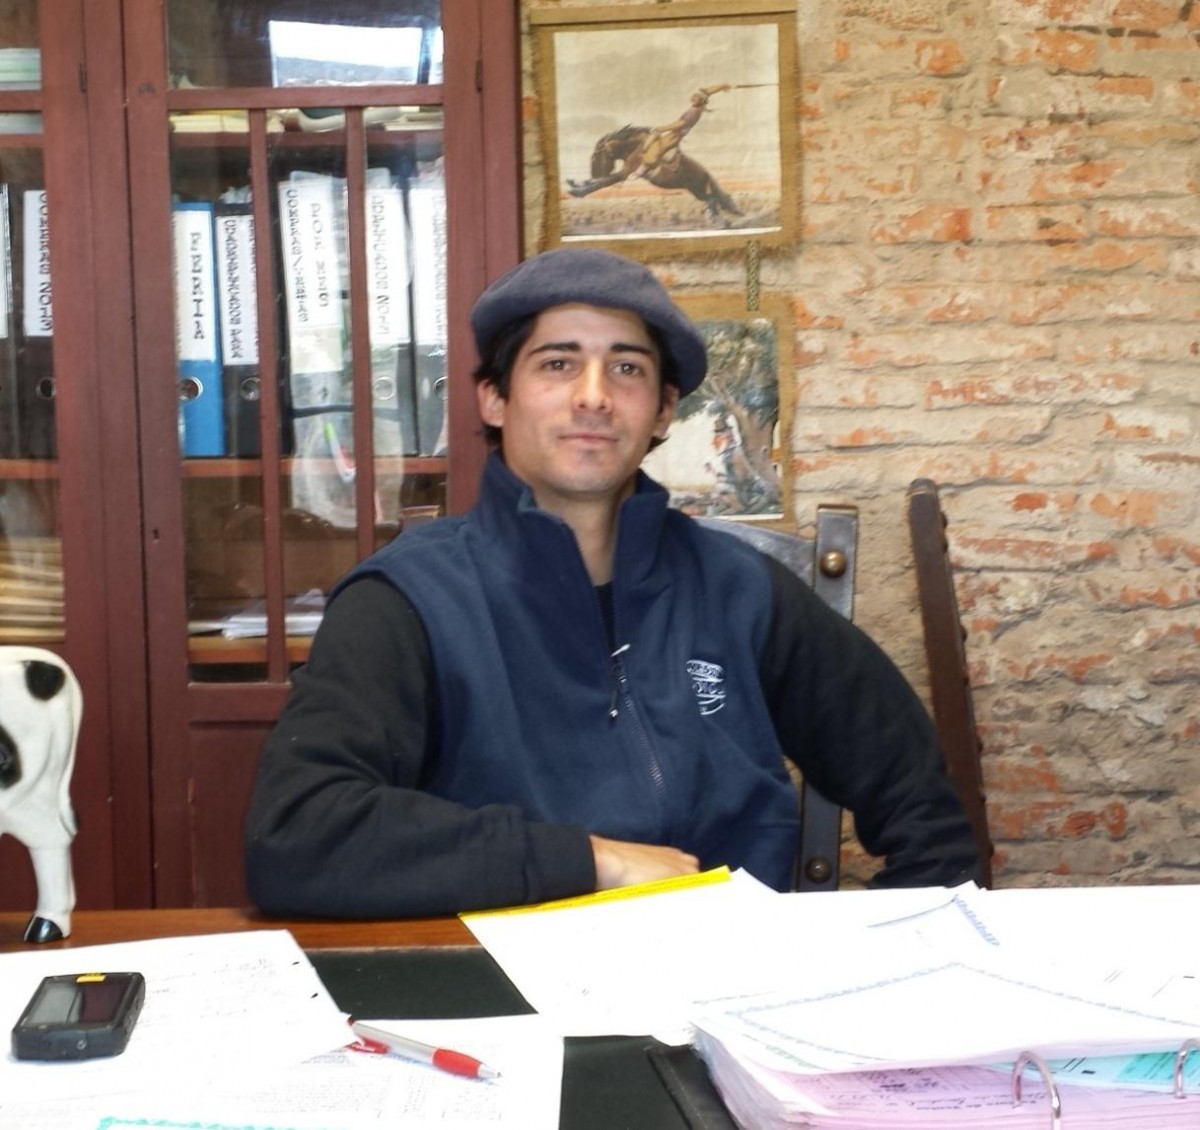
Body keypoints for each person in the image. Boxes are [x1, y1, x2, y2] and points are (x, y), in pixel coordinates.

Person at [244, 247, 982, 919]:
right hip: (503, 996)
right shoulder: (407, 601)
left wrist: (878, 960)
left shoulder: (739, 591)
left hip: (721, 990)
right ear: (494, 398)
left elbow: (926, 812)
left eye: (627, 369)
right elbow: (299, 835)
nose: (594, 396)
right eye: (557, 364)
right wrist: (592, 861)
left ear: (663, 411)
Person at [633, 84, 731, 179]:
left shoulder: (694, 111)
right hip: (674, 133)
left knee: (657, 149)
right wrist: (722, 86)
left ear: (702, 100)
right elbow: (708, 91)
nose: (694, 98)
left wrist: (663, 128)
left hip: (675, 135)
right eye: (695, 96)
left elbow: (681, 124)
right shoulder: (697, 107)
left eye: (697, 97)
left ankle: (641, 170)